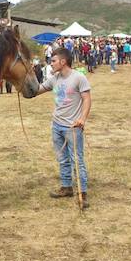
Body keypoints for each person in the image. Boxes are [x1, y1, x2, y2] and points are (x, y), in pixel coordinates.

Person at [34, 47, 91, 209]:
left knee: (77, 160)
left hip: (72, 127)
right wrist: (22, 86)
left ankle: (82, 192)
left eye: (53, 61)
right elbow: (37, 90)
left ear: (63, 61)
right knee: (62, 159)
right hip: (56, 125)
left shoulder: (79, 78)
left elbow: (87, 99)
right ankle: (66, 187)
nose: (51, 64)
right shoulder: (54, 78)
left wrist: (82, 119)